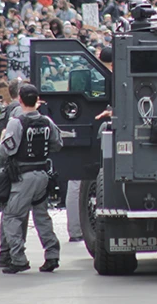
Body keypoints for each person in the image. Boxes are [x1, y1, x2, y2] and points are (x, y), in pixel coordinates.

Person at [0, 84, 63, 274]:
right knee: (42, 216)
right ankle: (52, 254)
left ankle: (18, 258)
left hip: (22, 176)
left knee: (11, 216)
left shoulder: (16, 122)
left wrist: (3, 139)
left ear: (20, 100)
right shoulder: (46, 121)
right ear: (37, 101)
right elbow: (58, 144)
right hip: (43, 175)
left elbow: (5, 150)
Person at [66, 46, 114, 243]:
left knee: (77, 180)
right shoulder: (121, 77)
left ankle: (76, 230)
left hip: (86, 132)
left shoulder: (83, 76)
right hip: (108, 134)